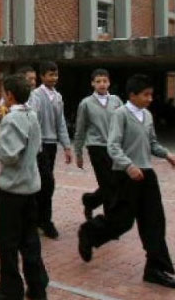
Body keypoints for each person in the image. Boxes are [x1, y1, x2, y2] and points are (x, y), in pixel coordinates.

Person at [78, 74, 175, 289]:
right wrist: (129, 166)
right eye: (146, 95)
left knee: (154, 222)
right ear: (132, 95)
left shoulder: (147, 115)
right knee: (121, 222)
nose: (150, 98)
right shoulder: (120, 114)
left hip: (146, 175)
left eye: (151, 94)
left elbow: (152, 143)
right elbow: (113, 146)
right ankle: (89, 233)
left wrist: (167, 155)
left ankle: (155, 269)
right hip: (125, 176)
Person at [0, 74, 48, 300]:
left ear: (10, 95)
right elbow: (37, 147)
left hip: (12, 189)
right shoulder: (32, 114)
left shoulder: (12, 118)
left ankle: (10, 290)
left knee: (7, 242)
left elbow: (9, 155)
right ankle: (37, 285)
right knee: (29, 240)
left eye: (4, 93)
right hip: (30, 187)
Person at [29, 61, 72, 239]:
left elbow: (60, 122)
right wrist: (36, 146)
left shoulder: (58, 97)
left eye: (56, 75)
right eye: (50, 75)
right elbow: (33, 121)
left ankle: (41, 220)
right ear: (42, 76)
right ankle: (42, 221)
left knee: (45, 184)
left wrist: (67, 146)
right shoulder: (35, 96)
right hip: (39, 145)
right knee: (46, 183)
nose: (54, 78)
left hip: (51, 145)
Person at [73, 69, 123, 221]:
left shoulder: (116, 101)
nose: (102, 84)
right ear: (92, 84)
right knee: (107, 183)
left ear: (109, 82)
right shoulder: (86, 103)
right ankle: (110, 220)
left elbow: (124, 123)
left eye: (105, 81)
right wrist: (78, 153)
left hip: (114, 147)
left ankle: (90, 201)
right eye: (98, 81)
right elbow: (80, 129)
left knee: (115, 183)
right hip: (96, 147)